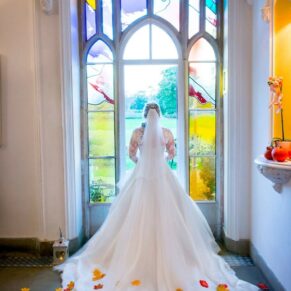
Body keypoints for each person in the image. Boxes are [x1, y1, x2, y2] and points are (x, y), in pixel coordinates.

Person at [55, 103, 259, 290]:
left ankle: (131, 256)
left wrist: (141, 163)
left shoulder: (137, 132)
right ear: (159, 116)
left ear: (145, 115)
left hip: (142, 175)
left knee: (132, 215)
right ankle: (177, 256)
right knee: (173, 213)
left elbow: (131, 154)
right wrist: (163, 158)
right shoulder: (167, 133)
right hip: (162, 175)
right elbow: (171, 154)